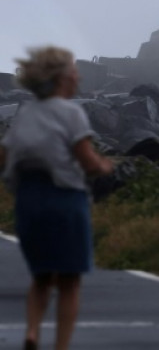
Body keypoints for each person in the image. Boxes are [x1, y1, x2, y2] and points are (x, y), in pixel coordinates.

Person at [0, 46, 114, 350]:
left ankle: (32, 331)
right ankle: (60, 346)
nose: (78, 75)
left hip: (29, 201)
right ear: (62, 78)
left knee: (40, 278)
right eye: (74, 70)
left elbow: (4, 156)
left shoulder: (25, 114)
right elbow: (87, 161)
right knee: (69, 281)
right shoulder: (72, 113)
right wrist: (105, 166)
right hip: (65, 200)